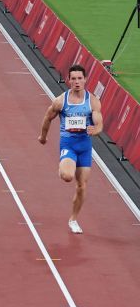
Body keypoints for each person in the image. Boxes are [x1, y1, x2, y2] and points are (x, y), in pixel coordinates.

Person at [38, 64, 103, 234]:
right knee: (67, 176)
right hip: (68, 145)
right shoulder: (61, 101)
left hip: (85, 148)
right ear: (68, 80)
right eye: (73, 78)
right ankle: (63, 167)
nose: (76, 82)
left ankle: (73, 219)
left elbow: (99, 121)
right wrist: (43, 137)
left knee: (81, 186)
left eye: (79, 78)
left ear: (85, 79)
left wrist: (95, 130)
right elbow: (48, 117)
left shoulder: (92, 101)